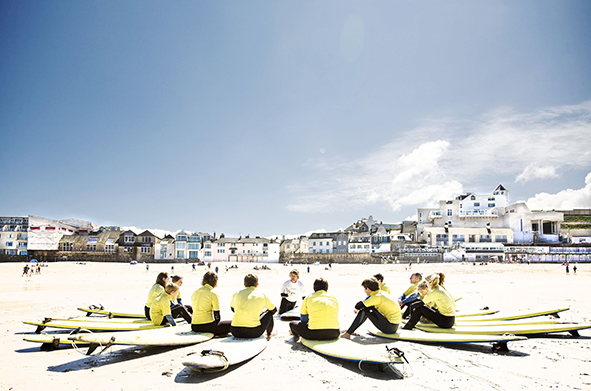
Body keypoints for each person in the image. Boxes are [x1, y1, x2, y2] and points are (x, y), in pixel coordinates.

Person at [230, 274, 277, 339]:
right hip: (253, 332)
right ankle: (269, 334)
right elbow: (274, 309)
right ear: (257, 284)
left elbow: (233, 309)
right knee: (269, 312)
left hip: (235, 331)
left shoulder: (236, 293)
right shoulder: (262, 294)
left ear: (244, 284)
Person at [191, 271, 231, 336]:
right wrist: (217, 326)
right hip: (207, 326)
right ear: (215, 282)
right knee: (233, 323)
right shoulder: (212, 293)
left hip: (194, 326)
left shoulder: (195, 292)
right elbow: (217, 315)